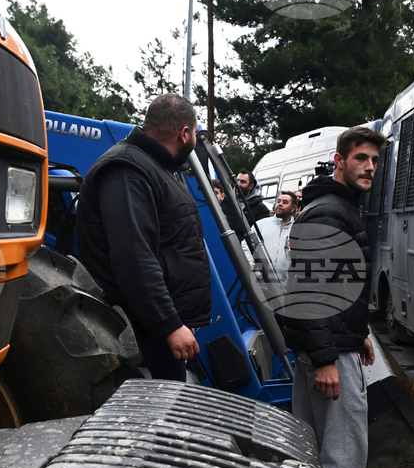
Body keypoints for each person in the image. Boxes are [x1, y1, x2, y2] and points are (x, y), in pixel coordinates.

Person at [281, 126, 387, 468]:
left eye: (375, 160)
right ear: (340, 160)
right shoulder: (330, 212)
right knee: (343, 454)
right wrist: (326, 358)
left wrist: (357, 333)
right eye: (361, 158)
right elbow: (307, 293)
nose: (369, 167)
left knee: (310, 451)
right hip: (326, 354)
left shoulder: (333, 207)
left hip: (328, 344)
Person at [75, 94, 211, 382]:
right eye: (195, 133)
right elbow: (134, 258)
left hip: (154, 325)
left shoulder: (155, 168)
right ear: (184, 133)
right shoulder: (128, 171)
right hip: (140, 332)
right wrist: (169, 324)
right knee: (157, 405)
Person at [243, 191, 297, 287]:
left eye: (285, 202)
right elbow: (246, 245)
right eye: (278, 201)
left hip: (285, 287)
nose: (280, 204)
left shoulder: (297, 229)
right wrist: (251, 265)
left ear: (293, 208)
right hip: (259, 284)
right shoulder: (261, 224)